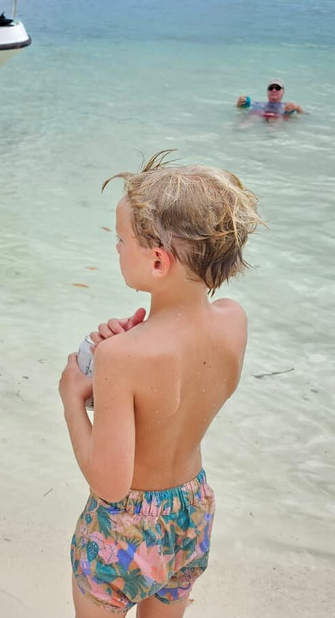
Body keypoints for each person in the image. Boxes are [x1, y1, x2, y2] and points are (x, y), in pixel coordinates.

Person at [59, 151, 262, 617]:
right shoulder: (234, 320)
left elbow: (110, 485)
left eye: (121, 239)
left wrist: (73, 397)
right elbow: (179, 390)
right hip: (193, 510)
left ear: (156, 262)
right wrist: (127, 352)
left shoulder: (120, 357)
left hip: (123, 530)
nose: (116, 248)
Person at [237, 80, 304, 118]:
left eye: (277, 88)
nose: (274, 90)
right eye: (271, 88)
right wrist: (240, 104)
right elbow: (241, 109)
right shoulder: (258, 104)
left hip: (277, 119)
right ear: (267, 91)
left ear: (283, 92)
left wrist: (297, 108)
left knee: (277, 120)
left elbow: (304, 115)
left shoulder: (287, 106)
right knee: (253, 116)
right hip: (261, 116)